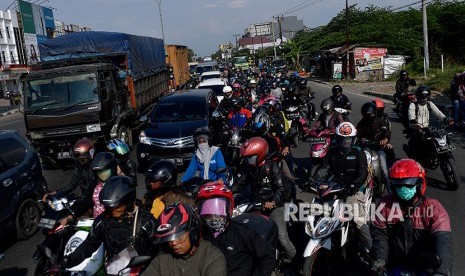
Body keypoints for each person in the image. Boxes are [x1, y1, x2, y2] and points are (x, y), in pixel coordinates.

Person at [370, 159, 452, 275]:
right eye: (399, 186)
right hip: (395, 265)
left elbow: (443, 242)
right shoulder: (384, 206)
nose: (403, 190)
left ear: (420, 184)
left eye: (408, 185)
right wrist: (381, 261)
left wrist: (442, 271)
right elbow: (379, 236)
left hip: (425, 268)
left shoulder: (435, 209)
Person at [61, 176, 156, 269]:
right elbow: (88, 246)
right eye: (110, 207)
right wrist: (67, 261)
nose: (113, 210)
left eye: (117, 205)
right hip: (114, 270)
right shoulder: (102, 221)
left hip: (143, 270)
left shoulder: (146, 222)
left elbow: (158, 252)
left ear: (129, 201)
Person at [236, 137, 296, 267]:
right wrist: (226, 190)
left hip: (275, 206)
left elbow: (280, 188)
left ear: (260, 154)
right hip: (257, 205)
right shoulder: (249, 168)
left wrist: (273, 201)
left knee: (283, 239)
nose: (248, 159)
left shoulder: (272, 167)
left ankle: (294, 262)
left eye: (250, 157)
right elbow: (239, 184)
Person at [196, 181, 276, 276]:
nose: (213, 219)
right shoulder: (200, 235)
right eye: (208, 216)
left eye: (218, 216)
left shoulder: (242, 233)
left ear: (228, 210)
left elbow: (268, 254)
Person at [324, 122, 371, 252]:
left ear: (353, 139)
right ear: (337, 139)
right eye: (342, 139)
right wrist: (314, 180)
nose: (345, 142)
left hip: (354, 191)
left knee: (358, 220)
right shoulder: (332, 152)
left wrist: (354, 185)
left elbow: (363, 172)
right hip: (334, 189)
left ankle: (370, 249)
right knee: (320, 212)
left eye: (348, 139)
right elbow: (324, 168)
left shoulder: (358, 153)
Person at [146, 202, 227, 275]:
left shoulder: (213, 258)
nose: (173, 243)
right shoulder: (162, 258)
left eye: (179, 236)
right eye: (169, 238)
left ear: (193, 234)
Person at [59, 152, 118, 225]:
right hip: (97, 225)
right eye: (99, 172)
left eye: (104, 171)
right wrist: (72, 216)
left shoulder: (118, 184)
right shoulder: (95, 184)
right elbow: (86, 203)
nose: (102, 174)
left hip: (114, 225)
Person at [406, 85, 451, 159]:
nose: (424, 99)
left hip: (426, 127)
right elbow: (411, 115)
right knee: (417, 144)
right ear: (418, 96)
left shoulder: (429, 104)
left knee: (439, 136)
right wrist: (414, 123)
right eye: (422, 97)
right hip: (415, 127)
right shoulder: (413, 105)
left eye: (425, 97)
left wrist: (445, 119)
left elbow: (438, 113)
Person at [356, 102, 393, 191]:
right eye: (366, 115)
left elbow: (387, 132)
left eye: (370, 114)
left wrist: (385, 140)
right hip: (365, 148)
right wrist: (359, 139)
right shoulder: (362, 123)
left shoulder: (381, 121)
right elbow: (357, 134)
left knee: (384, 170)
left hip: (378, 149)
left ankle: (390, 191)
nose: (368, 116)